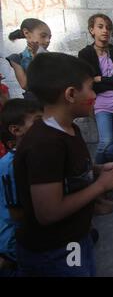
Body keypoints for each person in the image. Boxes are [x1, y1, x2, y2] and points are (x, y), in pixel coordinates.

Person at [13, 52, 113, 277]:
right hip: (55, 250)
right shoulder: (44, 144)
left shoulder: (69, 129)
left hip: (75, 237)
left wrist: (97, 170)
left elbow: (66, 171)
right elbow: (49, 212)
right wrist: (101, 186)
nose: (94, 95)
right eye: (90, 88)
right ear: (71, 94)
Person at [78, 13, 113, 165]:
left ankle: (111, 175)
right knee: (106, 142)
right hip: (101, 103)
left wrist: (100, 78)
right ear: (91, 30)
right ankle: (96, 173)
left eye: (108, 27)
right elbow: (88, 82)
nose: (105, 31)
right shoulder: (85, 54)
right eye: (100, 27)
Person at [0, 99, 42, 276]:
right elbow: (17, 215)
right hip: (15, 239)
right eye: (39, 122)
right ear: (16, 130)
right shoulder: (11, 165)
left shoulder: (35, 155)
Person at [6, 18, 51, 100]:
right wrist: (36, 56)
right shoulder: (17, 59)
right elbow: (25, 85)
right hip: (34, 104)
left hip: (52, 101)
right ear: (26, 33)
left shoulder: (51, 56)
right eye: (43, 36)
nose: (48, 40)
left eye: (49, 37)